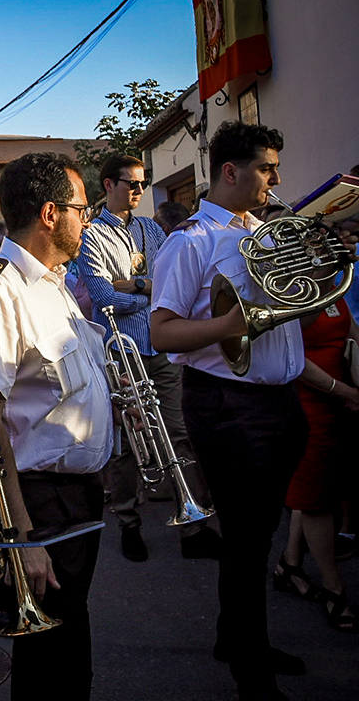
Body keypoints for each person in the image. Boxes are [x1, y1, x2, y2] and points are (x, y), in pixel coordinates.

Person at [150, 121, 330, 700]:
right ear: (231, 172)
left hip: (281, 399)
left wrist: (325, 261)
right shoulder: (192, 242)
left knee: (260, 535)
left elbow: (301, 308)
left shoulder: (271, 234)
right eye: (266, 168)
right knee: (250, 543)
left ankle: (238, 638)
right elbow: (162, 332)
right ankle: (252, 674)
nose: (275, 179)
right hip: (229, 404)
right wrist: (229, 325)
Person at [0, 152, 113, 701]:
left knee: (69, 654)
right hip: (37, 503)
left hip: (76, 496)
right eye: (82, 209)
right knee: (51, 670)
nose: (87, 221)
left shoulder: (53, 283)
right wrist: (20, 536)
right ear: (50, 213)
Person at [77, 154, 219, 562]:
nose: (139, 190)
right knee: (126, 444)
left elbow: (172, 287)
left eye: (143, 182)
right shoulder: (92, 236)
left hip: (161, 349)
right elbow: (104, 300)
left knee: (179, 433)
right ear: (108, 185)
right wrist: (149, 289)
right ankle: (128, 523)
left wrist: (136, 287)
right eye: (131, 183)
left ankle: (192, 525)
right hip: (123, 352)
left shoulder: (151, 229)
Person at [275, 298, 359, 633]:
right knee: (315, 496)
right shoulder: (294, 290)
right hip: (312, 401)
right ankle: (333, 589)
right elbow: (293, 355)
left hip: (342, 399)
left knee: (316, 486)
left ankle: (290, 565)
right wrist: (343, 392)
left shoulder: (334, 288)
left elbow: (350, 331)